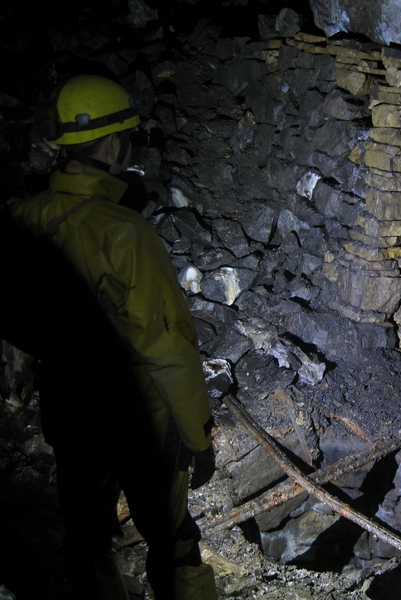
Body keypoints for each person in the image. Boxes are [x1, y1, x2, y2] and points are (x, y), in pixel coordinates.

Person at [6, 75, 218, 599]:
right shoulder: (127, 235)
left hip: (68, 405)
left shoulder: (22, 221)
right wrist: (198, 436)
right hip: (135, 414)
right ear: (111, 142)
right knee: (173, 543)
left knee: (86, 534)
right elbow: (167, 346)